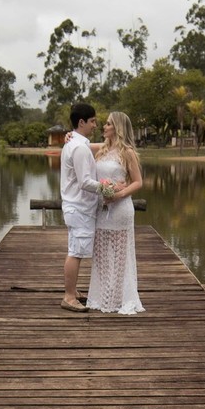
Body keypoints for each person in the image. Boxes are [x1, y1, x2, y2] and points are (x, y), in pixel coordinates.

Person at [83, 111, 144, 315]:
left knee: (119, 256)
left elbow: (138, 182)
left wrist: (120, 194)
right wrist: (69, 136)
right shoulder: (102, 149)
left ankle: (118, 300)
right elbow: (78, 145)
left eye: (108, 124)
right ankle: (102, 298)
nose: (103, 126)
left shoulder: (127, 152)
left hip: (121, 209)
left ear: (117, 127)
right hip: (102, 209)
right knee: (100, 253)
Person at [59, 103, 102, 312]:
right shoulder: (78, 147)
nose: (95, 125)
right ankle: (68, 297)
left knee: (74, 248)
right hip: (79, 207)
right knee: (75, 252)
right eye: (92, 121)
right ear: (81, 122)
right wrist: (107, 187)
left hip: (76, 207)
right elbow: (85, 181)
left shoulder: (76, 144)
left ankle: (73, 291)